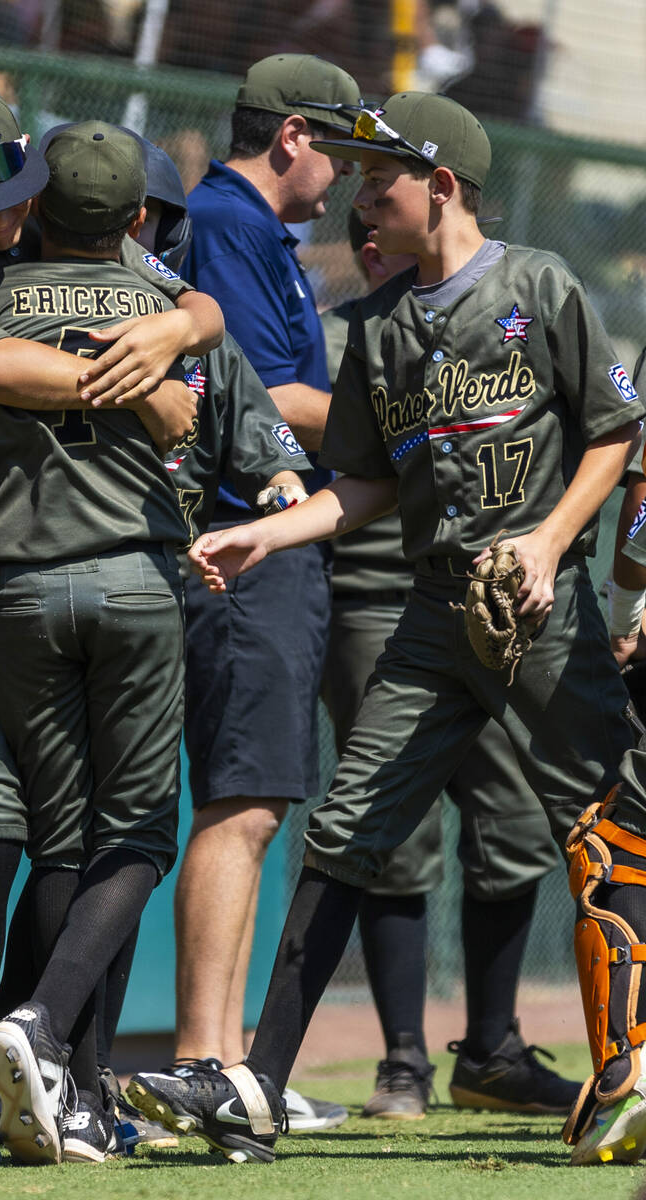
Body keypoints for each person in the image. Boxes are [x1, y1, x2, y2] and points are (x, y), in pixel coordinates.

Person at [129, 90, 645, 1167]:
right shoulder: (369, 327)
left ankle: (627, 1064)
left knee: (604, 818)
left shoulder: (535, 282)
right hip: (432, 611)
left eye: (381, 183)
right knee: (345, 826)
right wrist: (268, 536)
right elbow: (362, 482)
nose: (362, 204)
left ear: (440, 188)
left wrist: (551, 543)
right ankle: (258, 1085)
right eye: (357, 182)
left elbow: (612, 431)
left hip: (540, 609)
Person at [0, 81, 222, 1167]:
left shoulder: (56, 235)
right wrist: (134, 385)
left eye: (19, 187)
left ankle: (59, 1071)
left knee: (68, 831)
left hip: (21, 547)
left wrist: (181, 324)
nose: (8, 216)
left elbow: (193, 308)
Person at [321, 210, 576, 1120]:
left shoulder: (518, 300)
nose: (369, 239)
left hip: (495, 595)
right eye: (356, 226)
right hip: (375, 591)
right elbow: (290, 408)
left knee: (513, 823)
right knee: (387, 835)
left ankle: (494, 1050)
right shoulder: (354, 326)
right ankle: (399, 1063)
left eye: (380, 217)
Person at [161, 51, 361, 1131]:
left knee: (256, 802)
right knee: (239, 803)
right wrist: (414, 425)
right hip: (242, 540)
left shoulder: (251, 229)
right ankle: (204, 1058)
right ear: (292, 135)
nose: (346, 172)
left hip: (269, 539)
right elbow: (266, 391)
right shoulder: (225, 223)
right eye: (340, 144)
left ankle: (226, 1063)